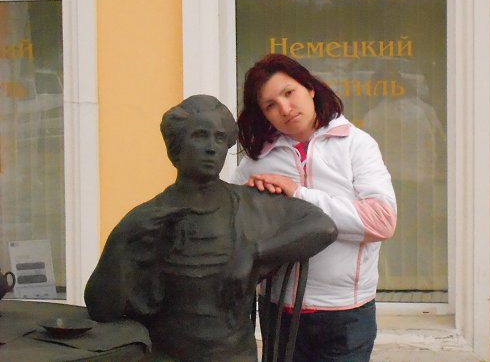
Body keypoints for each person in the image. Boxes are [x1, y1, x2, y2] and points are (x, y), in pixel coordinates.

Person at [84, 95, 337, 362]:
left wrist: (255, 252)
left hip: (234, 356)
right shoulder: (148, 219)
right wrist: (122, 240)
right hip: (165, 355)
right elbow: (101, 309)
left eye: (219, 138)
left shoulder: (249, 205)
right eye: (200, 136)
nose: (211, 148)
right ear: (176, 147)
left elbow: (323, 226)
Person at [232, 54, 397, 362]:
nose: (284, 108)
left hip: (345, 314)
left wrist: (299, 195)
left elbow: (381, 221)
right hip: (277, 310)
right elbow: (235, 226)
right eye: (270, 105)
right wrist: (255, 204)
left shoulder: (357, 144)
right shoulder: (257, 161)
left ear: (309, 88)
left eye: (289, 92)